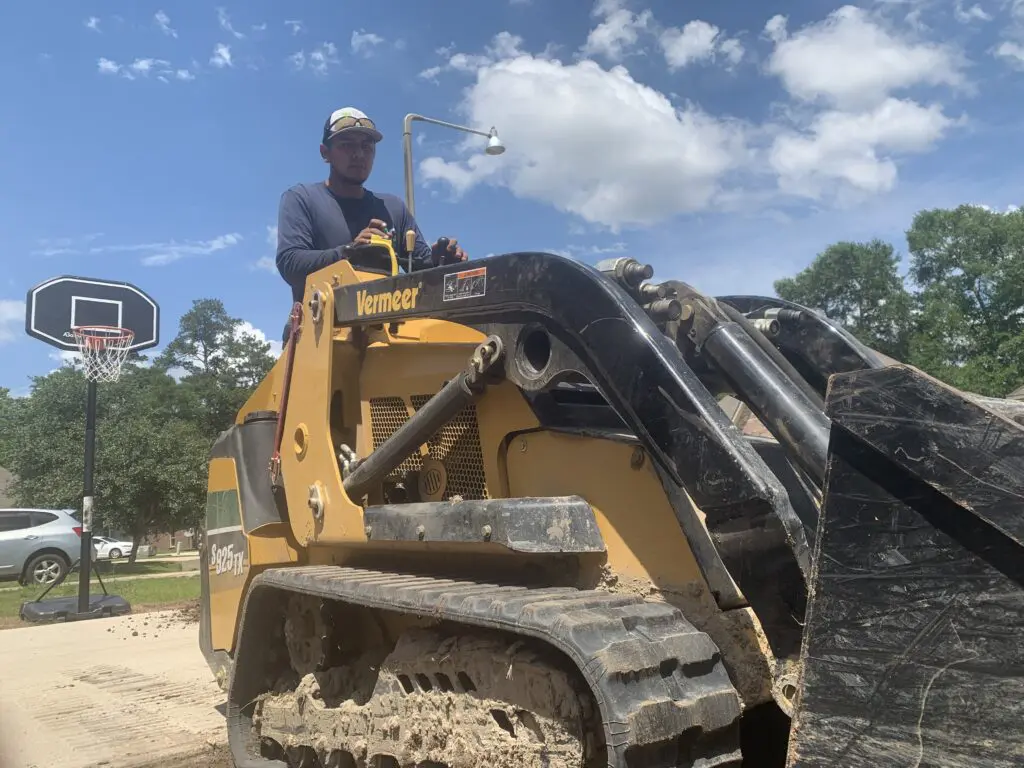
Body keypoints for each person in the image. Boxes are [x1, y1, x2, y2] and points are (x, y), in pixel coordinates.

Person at [275, 106, 468, 310]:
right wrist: (350, 253)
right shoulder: (302, 198)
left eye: (367, 146)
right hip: (318, 326)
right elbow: (290, 264)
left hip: (388, 326)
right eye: (347, 145)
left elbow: (419, 266)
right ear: (325, 153)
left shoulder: (393, 208)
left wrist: (442, 261)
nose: (359, 154)